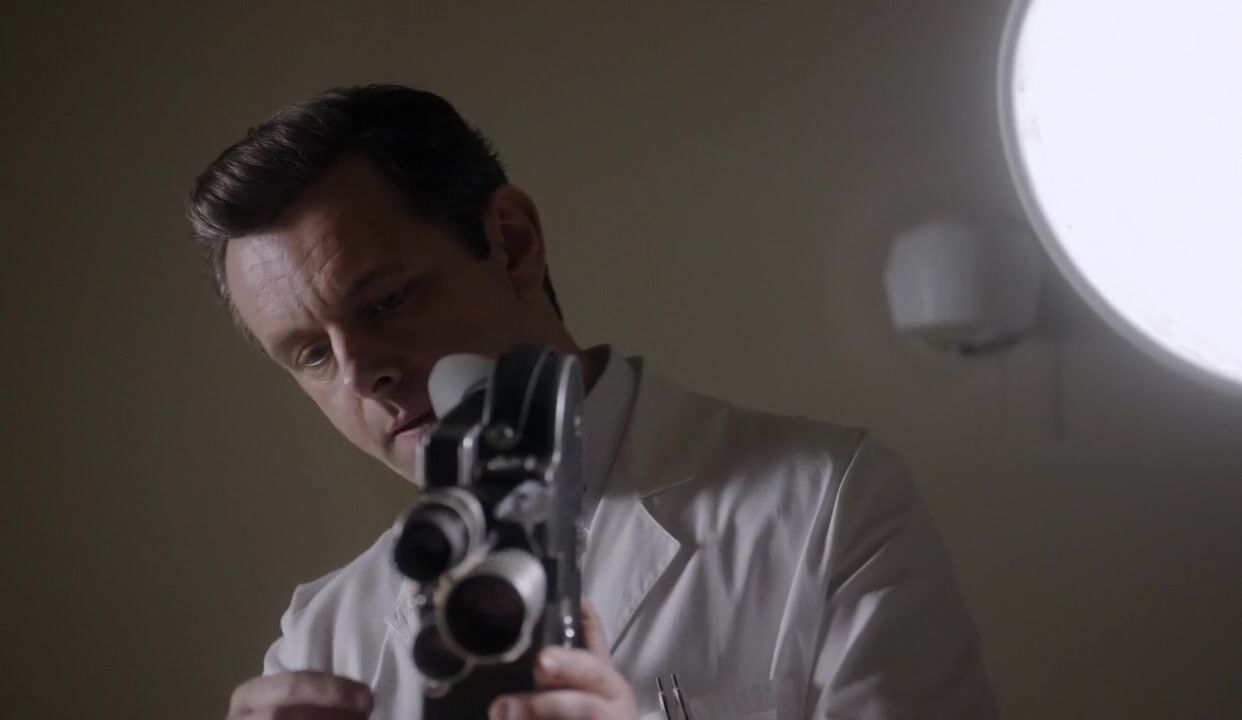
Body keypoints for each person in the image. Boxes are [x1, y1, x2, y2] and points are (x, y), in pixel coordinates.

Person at [190, 85, 996, 720]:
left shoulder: (830, 507)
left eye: (388, 303)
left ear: (514, 243)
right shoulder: (324, 639)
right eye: (312, 354)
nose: (362, 375)